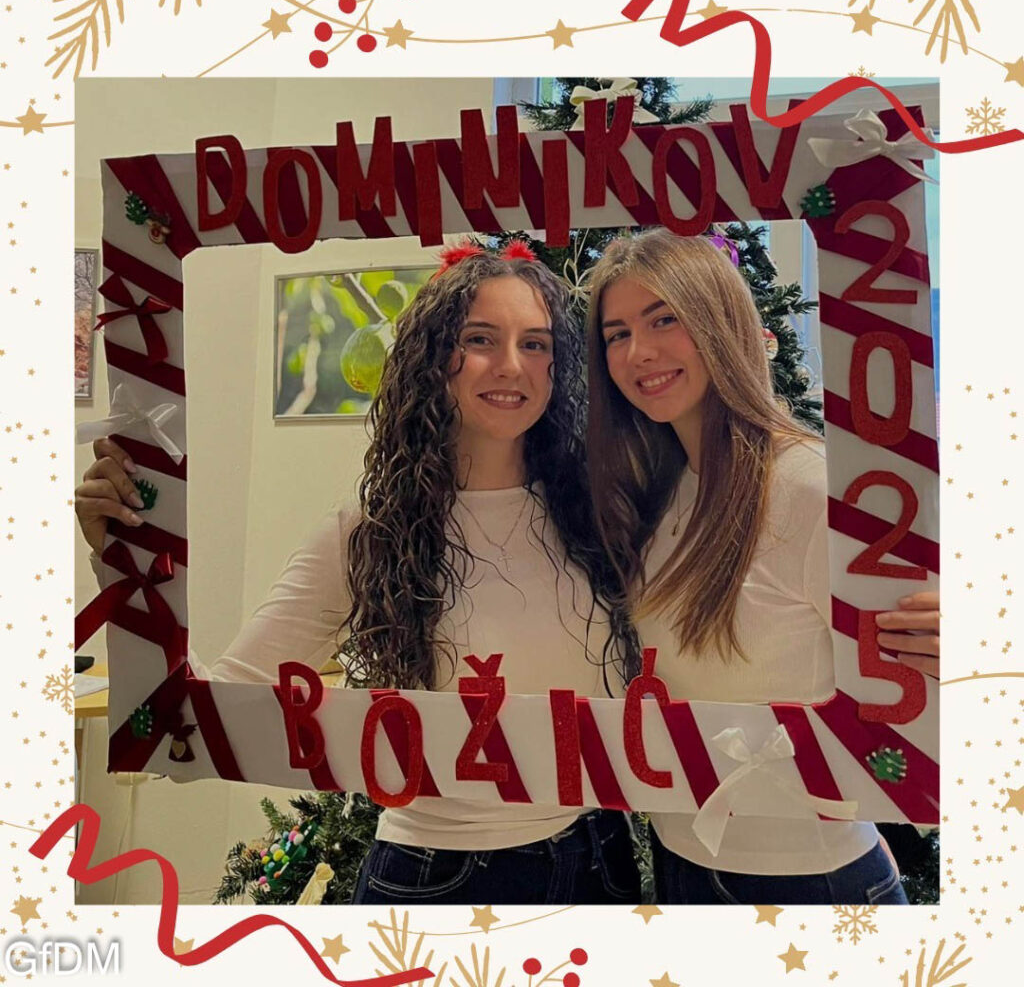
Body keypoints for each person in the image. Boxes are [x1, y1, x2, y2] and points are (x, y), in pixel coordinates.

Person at [76, 241, 641, 906]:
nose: (512, 365)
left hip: (600, 861)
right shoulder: (369, 531)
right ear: (432, 357)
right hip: (439, 878)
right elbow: (199, 717)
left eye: (536, 344)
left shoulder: (600, 514)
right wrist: (126, 565)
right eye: (480, 339)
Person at [584, 227, 940, 904]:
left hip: (811, 883)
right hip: (683, 863)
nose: (638, 352)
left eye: (665, 319)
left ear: (719, 321)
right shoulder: (664, 488)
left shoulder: (815, 489)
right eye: (617, 334)